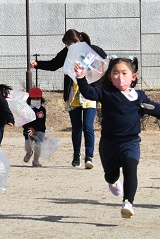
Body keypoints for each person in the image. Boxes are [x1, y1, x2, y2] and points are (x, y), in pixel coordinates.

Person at [74, 57, 160, 218]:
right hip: (109, 144)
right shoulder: (106, 93)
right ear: (109, 77)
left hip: (131, 142)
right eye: (115, 73)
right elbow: (88, 92)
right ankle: (112, 180)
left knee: (130, 169)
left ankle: (128, 202)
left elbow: (156, 109)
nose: (120, 77)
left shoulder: (140, 97)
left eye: (124, 73)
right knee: (111, 174)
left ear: (133, 76)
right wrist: (81, 77)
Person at [30, 29, 107, 169]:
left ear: (77, 42)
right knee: (76, 127)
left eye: (68, 44)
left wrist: (90, 52)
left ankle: (89, 157)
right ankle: (76, 156)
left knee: (88, 127)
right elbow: (54, 64)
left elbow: (103, 58)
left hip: (89, 93)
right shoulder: (66, 53)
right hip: (73, 94)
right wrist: (38, 64)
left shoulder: (91, 50)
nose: (67, 47)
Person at [22, 87, 47, 168]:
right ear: (30, 99)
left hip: (39, 131)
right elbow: (24, 120)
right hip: (28, 130)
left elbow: (41, 121)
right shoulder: (26, 109)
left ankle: (36, 161)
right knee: (28, 146)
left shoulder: (42, 110)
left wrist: (34, 128)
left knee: (38, 146)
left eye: (38, 98)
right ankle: (29, 153)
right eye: (33, 98)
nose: (36, 100)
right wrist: (28, 128)